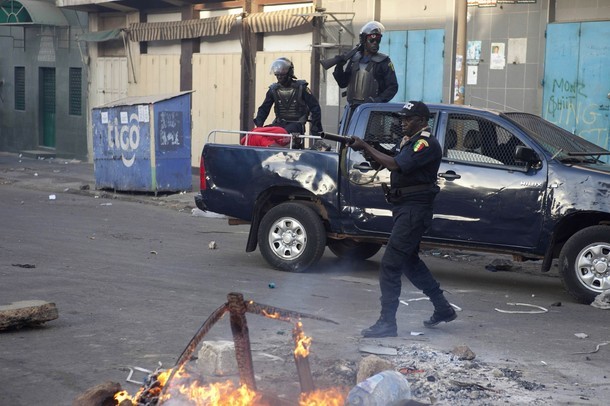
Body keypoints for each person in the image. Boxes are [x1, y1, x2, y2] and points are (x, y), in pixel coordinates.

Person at [348, 101, 457, 338]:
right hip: (405, 209)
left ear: (421, 120)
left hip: (413, 211)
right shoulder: (408, 141)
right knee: (409, 262)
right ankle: (443, 308)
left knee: (390, 265)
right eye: (402, 118)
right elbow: (386, 162)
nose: (403, 122)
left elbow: (396, 164)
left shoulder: (424, 143)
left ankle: (387, 323)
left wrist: (366, 144)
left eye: (408, 119)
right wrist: (366, 150)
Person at [253, 57, 323, 138]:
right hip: (279, 124)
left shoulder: (301, 88)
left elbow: (315, 108)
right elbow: (264, 109)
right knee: (259, 134)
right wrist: (259, 125)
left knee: (282, 134)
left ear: (289, 73)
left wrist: (316, 129)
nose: (279, 77)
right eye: (277, 74)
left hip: (296, 124)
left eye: (282, 74)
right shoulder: (273, 90)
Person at [332, 21, 398, 107]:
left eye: (378, 40)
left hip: (373, 110)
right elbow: (343, 83)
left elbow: (392, 87)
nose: (375, 43)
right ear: (364, 40)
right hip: (352, 109)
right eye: (372, 40)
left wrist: (376, 101)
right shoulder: (354, 58)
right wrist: (339, 66)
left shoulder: (384, 61)